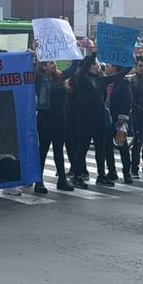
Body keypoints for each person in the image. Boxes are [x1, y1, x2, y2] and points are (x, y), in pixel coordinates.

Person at [67, 53, 112, 186]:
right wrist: (95, 52)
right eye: (94, 63)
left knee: (101, 147)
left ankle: (101, 175)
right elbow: (83, 67)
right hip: (85, 118)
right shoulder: (81, 77)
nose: (98, 65)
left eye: (97, 62)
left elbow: (118, 76)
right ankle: (77, 175)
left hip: (99, 117)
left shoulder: (100, 79)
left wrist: (129, 63)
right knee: (83, 147)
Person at [34, 57, 71, 191]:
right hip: (45, 120)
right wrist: (35, 53)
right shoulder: (39, 80)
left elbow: (74, 70)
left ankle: (62, 179)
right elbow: (33, 69)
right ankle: (38, 181)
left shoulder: (59, 78)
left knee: (59, 151)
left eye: (55, 63)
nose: (54, 65)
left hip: (60, 119)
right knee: (42, 151)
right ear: (43, 66)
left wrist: (75, 53)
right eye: (51, 63)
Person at [98, 61, 133, 184]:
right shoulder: (104, 81)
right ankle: (111, 171)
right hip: (106, 118)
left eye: (108, 66)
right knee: (107, 146)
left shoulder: (123, 82)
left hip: (119, 118)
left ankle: (127, 172)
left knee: (122, 145)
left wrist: (123, 118)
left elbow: (128, 100)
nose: (106, 68)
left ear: (115, 68)